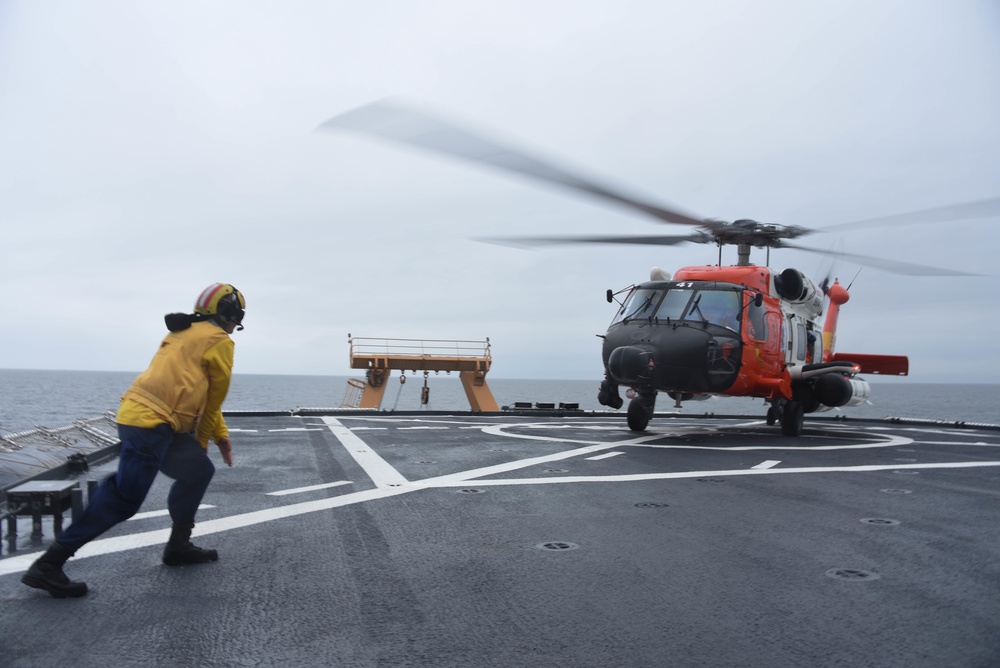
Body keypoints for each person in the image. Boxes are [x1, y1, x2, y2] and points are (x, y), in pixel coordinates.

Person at [22, 283, 246, 598]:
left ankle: (178, 545)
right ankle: (49, 563)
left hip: (146, 418)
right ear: (229, 315)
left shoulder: (184, 332)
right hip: (151, 425)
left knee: (198, 471)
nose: (236, 327)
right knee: (124, 498)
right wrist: (205, 441)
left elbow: (205, 391)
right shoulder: (219, 341)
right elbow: (212, 402)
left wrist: (220, 435)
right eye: (237, 319)